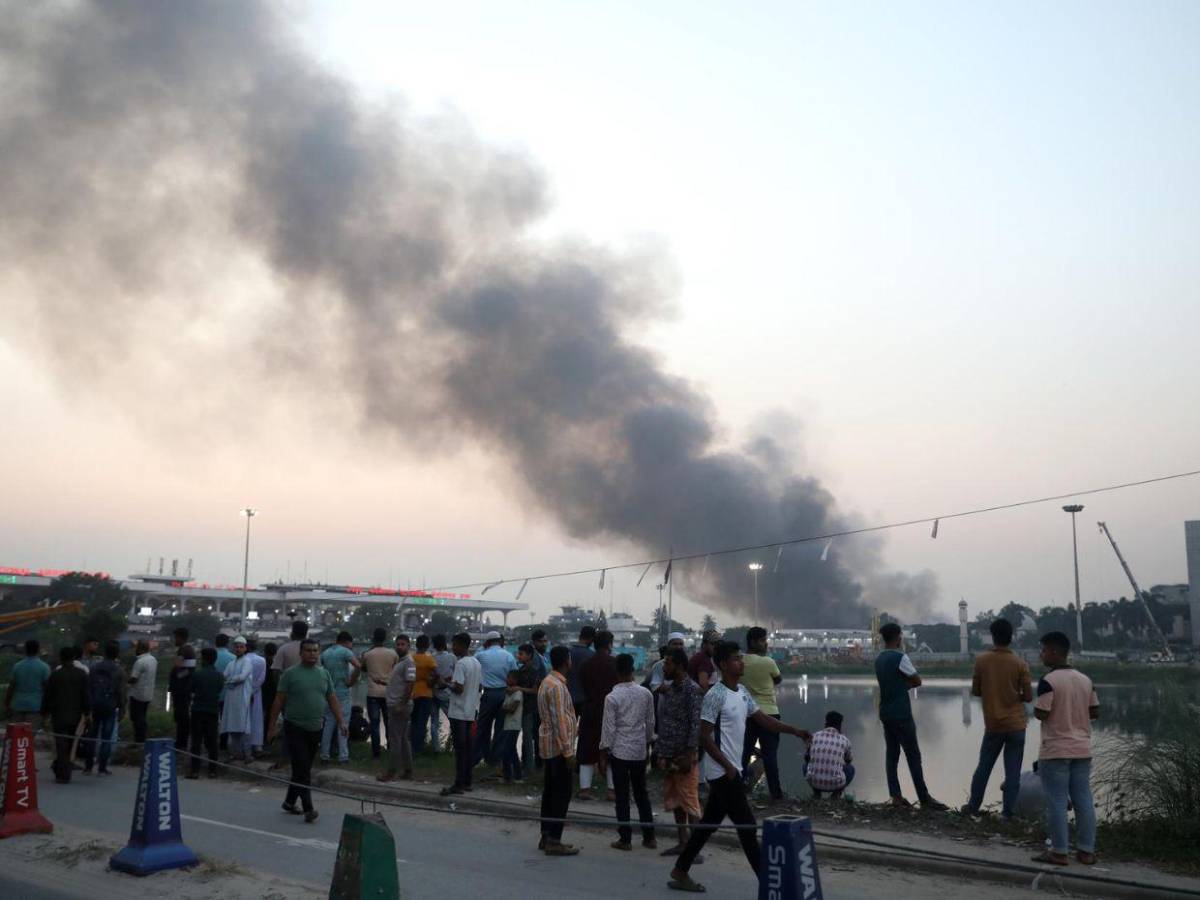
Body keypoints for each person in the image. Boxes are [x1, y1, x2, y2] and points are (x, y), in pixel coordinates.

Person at [669, 641, 812, 893]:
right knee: (747, 828)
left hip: (732, 769)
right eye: (736, 659)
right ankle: (769, 886)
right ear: (724, 665)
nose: (742, 662)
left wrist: (794, 730)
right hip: (722, 773)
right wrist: (727, 766)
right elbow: (704, 736)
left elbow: (765, 720)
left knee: (709, 824)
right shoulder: (716, 695)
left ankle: (680, 870)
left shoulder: (743, 692)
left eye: (741, 658)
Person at [1031, 631, 1099, 867]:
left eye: (1043, 650)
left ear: (1054, 651)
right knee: (1083, 799)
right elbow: (1095, 712)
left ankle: (1059, 852)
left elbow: (1041, 713)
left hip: (1056, 750)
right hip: (1082, 749)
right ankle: (1086, 851)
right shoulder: (1085, 679)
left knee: (1057, 801)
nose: (1041, 655)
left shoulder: (1048, 681)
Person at [267, 638, 347, 824]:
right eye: (308, 651)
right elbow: (278, 701)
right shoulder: (290, 674)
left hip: (316, 727)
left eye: (315, 651)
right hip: (294, 727)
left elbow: (332, 699)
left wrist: (341, 721)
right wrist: (271, 727)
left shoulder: (323, 674)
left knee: (302, 768)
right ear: (301, 653)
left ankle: (289, 801)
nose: (312, 654)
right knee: (303, 769)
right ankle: (309, 809)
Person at [874, 622, 948, 810]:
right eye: (900, 636)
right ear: (898, 637)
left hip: (885, 712)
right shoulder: (900, 657)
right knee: (913, 755)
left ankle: (896, 796)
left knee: (892, 755)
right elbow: (917, 680)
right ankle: (924, 798)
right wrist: (904, 687)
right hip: (901, 713)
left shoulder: (879, 659)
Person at [965, 618, 1033, 818]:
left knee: (983, 767)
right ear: (1011, 637)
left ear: (992, 637)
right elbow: (1028, 697)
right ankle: (1008, 814)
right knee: (1013, 773)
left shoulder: (981, 661)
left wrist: (993, 692)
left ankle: (973, 808)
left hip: (994, 725)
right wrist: (1013, 695)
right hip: (1016, 725)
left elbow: (976, 691)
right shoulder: (1020, 663)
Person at [599, 652, 657, 851]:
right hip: (639, 750)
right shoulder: (645, 694)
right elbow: (650, 724)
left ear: (617, 672)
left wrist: (604, 754)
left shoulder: (612, 697)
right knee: (642, 794)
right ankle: (650, 837)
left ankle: (625, 838)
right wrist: (647, 743)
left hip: (619, 752)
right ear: (633, 670)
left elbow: (608, 729)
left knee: (622, 796)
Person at [655, 648, 703, 857]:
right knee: (676, 798)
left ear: (680, 667)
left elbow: (696, 724)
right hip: (669, 752)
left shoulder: (691, 690)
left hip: (684, 755)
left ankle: (695, 847)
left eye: (668, 664)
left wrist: (690, 753)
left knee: (690, 799)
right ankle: (682, 841)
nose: (664, 667)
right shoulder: (671, 689)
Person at [538, 644, 579, 856]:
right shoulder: (556, 686)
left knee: (551, 792)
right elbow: (559, 721)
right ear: (566, 661)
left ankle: (546, 835)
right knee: (561, 794)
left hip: (550, 746)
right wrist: (568, 752)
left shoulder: (549, 682)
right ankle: (554, 839)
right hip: (557, 748)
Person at [740, 627, 785, 800]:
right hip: (769, 714)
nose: (765, 644)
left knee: (744, 752)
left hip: (747, 714)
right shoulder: (768, 662)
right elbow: (778, 680)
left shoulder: (740, 661)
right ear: (752, 642)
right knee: (770, 755)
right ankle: (776, 793)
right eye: (762, 641)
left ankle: (741, 788)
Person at [577, 629, 618, 801]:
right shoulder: (615, 663)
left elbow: (583, 688)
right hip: (611, 711)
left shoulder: (585, 664)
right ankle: (611, 791)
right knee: (612, 752)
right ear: (609, 644)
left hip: (590, 709)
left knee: (587, 751)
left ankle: (585, 790)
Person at [441, 632, 482, 796]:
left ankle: (458, 784)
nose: (453, 648)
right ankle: (467, 782)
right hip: (470, 710)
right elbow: (478, 686)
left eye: (455, 645)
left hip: (458, 712)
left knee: (460, 749)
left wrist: (445, 683)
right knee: (467, 748)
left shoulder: (461, 664)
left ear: (461, 645)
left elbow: (458, 688)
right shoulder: (476, 663)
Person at [42, 647, 90, 783]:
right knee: (69, 744)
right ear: (74, 658)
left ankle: (62, 772)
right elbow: (86, 696)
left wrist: (44, 713)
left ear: (61, 658)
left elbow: (47, 696)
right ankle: (63, 769)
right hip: (75, 716)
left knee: (60, 744)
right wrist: (87, 714)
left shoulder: (55, 675)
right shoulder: (82, 675)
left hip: (58, 715)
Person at [473, 631, 517, 774]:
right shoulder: (509, 656)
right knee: (500, 728)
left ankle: (477, 756)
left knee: (483, 727)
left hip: (488, 694)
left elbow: (472, 667)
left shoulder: (481, 655)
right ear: (500, 641)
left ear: (487, 642)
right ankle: (494, 759)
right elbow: (515, 675)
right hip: (504, 693)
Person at [82, 640, 126, 776]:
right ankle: (102, 768)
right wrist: (122, 709)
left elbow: (88, 688)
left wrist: (87, 708)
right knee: (106, 738)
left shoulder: (94, 668)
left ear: (105, 653)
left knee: (91, 736)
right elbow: (121, 692)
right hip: (110, 706)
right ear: (117, 654)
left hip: (94, 706)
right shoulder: (119, 671)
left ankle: (88, 767)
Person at [319, 630, 361, 764]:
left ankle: (324, 755)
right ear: (347, 642)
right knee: (343, 724)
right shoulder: (345, 652)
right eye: (351, 645)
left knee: (328, 725)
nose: (351, 647)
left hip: (328, 695)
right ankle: (343, 756)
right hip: (342, 694)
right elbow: (358, 665)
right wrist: (353, 679)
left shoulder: (325, 653)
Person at [379, 633, 415, 782]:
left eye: (403, 644)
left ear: (408, 646)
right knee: (403, 740)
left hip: (399, 706)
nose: (400, 646)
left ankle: (391, 772)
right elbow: (399, 683)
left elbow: (410, 684)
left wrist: (402, 703)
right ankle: (408, 771)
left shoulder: (409, 663)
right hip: (396, 704)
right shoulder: (401, 662)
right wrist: (382, 682)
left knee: (395, 740)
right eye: (398, 644)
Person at [187, 647, 225, 779]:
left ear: (204, 659)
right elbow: (219, 690)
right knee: (212, 742)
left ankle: (194, 771)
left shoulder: (197, 674)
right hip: (213, 711)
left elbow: (191, 689)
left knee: (196, 742)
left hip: (198, 711)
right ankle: (212, 770)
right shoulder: (220, 676)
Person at [362, 627, 398, 759]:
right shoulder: (393, 654)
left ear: (373, 637)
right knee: (390, 722)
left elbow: (364, 669)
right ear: (385, 638)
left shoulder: (367, 654)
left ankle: (376, 753)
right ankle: (390, 749)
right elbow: (395, 670)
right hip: (388, 693)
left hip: (373, 694)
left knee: (375, 724)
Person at [220, 635, 255, 763]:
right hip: (231, 698)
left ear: (245, 648)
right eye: (236, 647)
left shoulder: (247, 662)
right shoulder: (231, 663)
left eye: (241, 647)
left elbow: (242, 677)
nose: (238, 649)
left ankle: (248, 755)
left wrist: (229, 681)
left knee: (243, 727)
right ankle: (234, 754)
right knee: (232, 726)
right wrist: (229, 680)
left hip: (242, 699)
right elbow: (224, 676)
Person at [806, 711, 854, 799]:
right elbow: (849, 760)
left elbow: (807, 758)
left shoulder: (814, 736)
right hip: (836, 784)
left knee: (805, 766)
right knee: (850, 769)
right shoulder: (845, 740)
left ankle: (816, 793)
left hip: (814, 781)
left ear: (826, 723)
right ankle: (836, 794)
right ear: (839, 725)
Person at [513, 642, 545, 778]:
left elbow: (536, 690)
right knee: (525, 738)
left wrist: (518, 689)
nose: (518, 656)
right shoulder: (522, 669)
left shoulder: (533, 671)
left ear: (529, 655)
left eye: (521, 654)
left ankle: (529, 768)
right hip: (523, 707)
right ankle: (525, 765)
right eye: (518, 653)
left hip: (530, 708)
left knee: (527, 738)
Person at [5, 639, 50, 729]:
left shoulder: (17, 666)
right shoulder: (44, 667)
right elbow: (47, 689)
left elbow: (11, 687)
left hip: (17, 705)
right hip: (35, 707)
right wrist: (47, 709)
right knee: (29, 736)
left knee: (17, 736)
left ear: (25, 650)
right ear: (38, 650)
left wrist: (7, 704)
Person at [409, 634, 438, 754]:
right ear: (427, 645)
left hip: (413, 692)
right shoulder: (429, 659)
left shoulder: (411, 658)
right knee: (422, 722)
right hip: (426, 693)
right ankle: (418, 749)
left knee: (413, 721)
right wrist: (432, 682)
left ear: (416, 645)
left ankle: (410, 747)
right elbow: (436, 674)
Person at [169, 627, 196, 750]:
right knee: (182, 716)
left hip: (182, 690)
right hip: (183, 689)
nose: (174, 640)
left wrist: (176, 677)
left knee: (182, 716)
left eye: (175, 637)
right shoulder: (188, 650)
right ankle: (181, 742)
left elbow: (182, 669)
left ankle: (182, 743)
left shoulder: (184, 651)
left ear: (180, 637)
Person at [126, 639, 157, 743]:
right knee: (142, 717)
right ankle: (141, 739)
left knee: (136, 718)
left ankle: (139, 740)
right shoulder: (153, 660)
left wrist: (124, 677)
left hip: (137, 694)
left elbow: (133, 679)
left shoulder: (139, 662)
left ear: (140, 649)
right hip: (148, 694)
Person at [431, 633, 456, 752]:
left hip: (433, 692)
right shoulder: (451, 657)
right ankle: (453, 745)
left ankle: (436, 748)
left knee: (434, 722)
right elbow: (455, 674)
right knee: (454, 720)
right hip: (446, 692)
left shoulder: (431, 657)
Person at [499, 670, 524, 783]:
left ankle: (508, 776)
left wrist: (505, 708)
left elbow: (511, 709)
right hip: (508, 725)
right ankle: (517, 776)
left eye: (509, 678)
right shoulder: (509, 693)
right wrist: (505, 707)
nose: (506, 680)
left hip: (513, 725)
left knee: (506, 750)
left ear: (515, 680)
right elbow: (506, 706)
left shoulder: (518, 693)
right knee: (511, 751)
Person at [566, 625, 596, 713]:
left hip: (568, 697)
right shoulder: (592, 655)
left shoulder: (567, 652)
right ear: (592, 639)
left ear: (580, 636)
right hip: (585, 699)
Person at [246, 638, 267, 756]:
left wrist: (248, 691)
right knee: (257, 719)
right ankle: (257, 746)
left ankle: (245, 745)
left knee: (245, 719)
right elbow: (261, 679)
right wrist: (254, 690)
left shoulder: (242, 660)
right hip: (257, 693)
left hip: (244, 692)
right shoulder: (261, 660)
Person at [214, 633, 235, 751]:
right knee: (225, 720)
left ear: (215, 643)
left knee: (212, 719)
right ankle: (223, 743)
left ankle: (210, 741)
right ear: (227, 643)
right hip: (227, 693)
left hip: (213, 693)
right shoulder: (232, 658)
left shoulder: (212, 656)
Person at [261, 642, 280, 750]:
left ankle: (262, 741)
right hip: (272, 694)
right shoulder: (274, 664)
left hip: (262, 693)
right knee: (270, 719)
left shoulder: (262, 662)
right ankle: (267, 742)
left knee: (263, 718)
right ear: (276, 652)